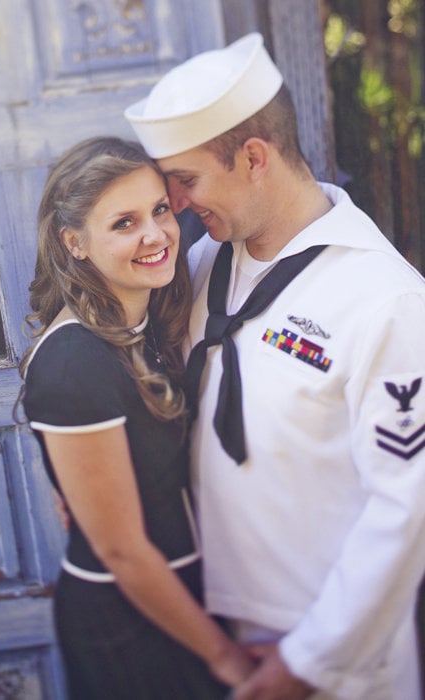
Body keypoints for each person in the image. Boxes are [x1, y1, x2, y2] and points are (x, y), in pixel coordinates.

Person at [125, 32, 425, 700]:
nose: (173, 203)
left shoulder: (386, 302)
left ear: (254, 157)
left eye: (186, 179)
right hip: (217, 639)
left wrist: (307, 665)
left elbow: (406, 511)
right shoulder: (201, 266)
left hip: (333, 658)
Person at [15, 136, 254, 699]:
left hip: (188, 594)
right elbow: (122, 549)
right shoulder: (74, 361)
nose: (155, 235)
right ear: (73, 242)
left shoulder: (150, 324)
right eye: (124, 223)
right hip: (130, 621)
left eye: (160, 210)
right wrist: (228, 660)